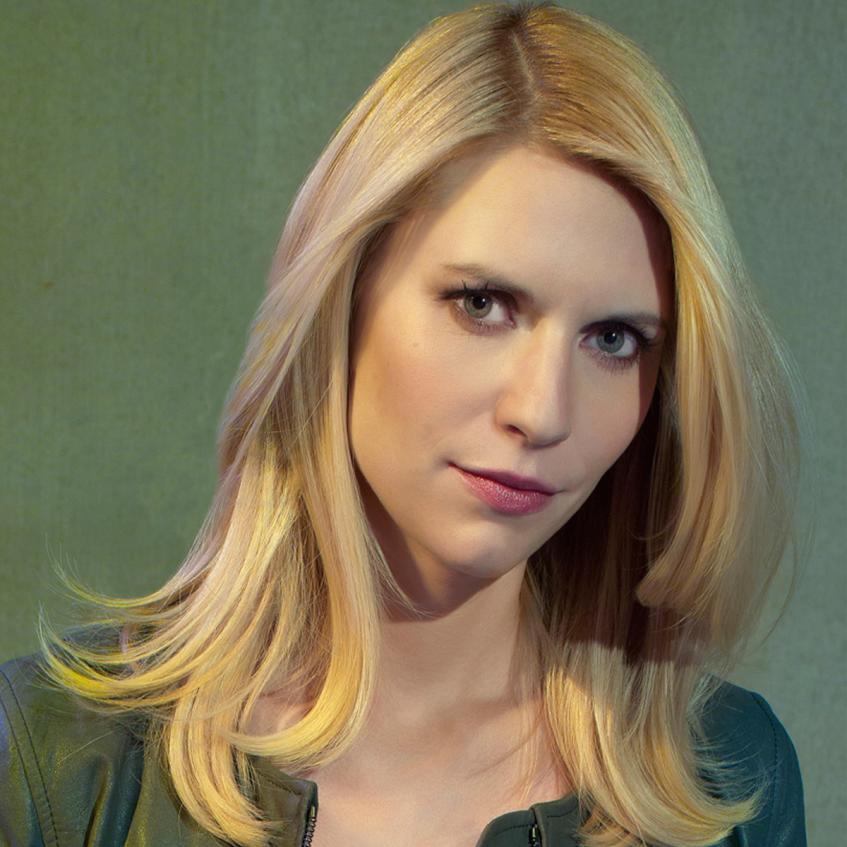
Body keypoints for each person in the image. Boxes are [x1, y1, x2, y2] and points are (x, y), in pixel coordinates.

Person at [0, 2, 809, 846]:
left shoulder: (726, 776)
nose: (540, 411)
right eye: (481, 303)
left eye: (612, 339)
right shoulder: (54, 765)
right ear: (343, 298)